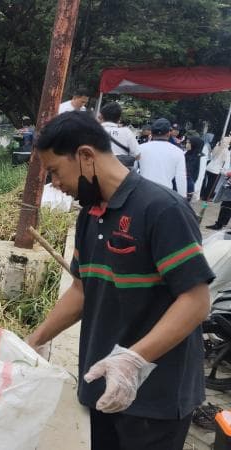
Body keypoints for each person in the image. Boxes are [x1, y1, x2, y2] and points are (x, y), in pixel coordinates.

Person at [25, 111, 213, 450]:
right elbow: (81, 290)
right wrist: (35, 338)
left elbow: (196, 301)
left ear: (85, 156)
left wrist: (132, 361)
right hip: (103, 384)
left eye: (54, 170)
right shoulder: (90, 214)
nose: (54, 183)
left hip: (155, 396)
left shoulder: (161, 209)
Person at [137, 118, 187, 198]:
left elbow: (133, 170)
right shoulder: (178, 152)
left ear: (152, 133)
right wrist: (183, 197)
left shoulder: (140, 148)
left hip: (142, 192)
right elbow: (181, 177)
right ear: (168, 133)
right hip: (165, 194)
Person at [99, 102, 139, 170]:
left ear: (101, 116)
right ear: (119, 118)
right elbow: (137, 155)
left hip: (97, 172)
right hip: (120, 174)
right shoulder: (127, 132)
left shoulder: (92, 131)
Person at [201, 136, 230, 201]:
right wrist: (225, 171)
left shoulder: (217, 147)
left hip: (209, 167)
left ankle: (202, 194)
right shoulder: (226, 152)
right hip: (216, 171)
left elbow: (211, 156)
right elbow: (226, 164)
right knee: (211, 185)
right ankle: (206, 197)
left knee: (206, 183)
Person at [184, 136, 204, 201]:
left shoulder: (201, 157)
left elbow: (200, 175)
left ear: (194, 145)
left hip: (190, 186)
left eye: (189, 143)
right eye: (186, 142)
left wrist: (195, 190)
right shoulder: (186, 154)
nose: (187, 145)